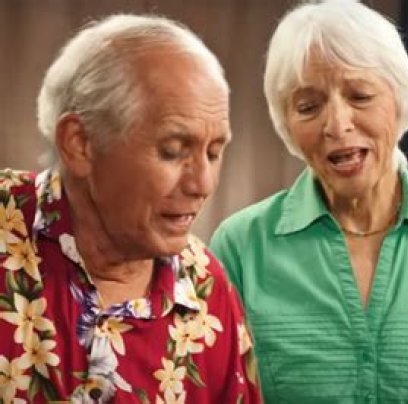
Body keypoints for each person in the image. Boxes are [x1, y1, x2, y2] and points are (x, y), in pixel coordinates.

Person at [208, 0, 408, 401]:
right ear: (286, 123)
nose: (337, 125)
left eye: (360, 96)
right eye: (308, 107)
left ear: (399, 99)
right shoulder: (240, 246)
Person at [0, 14, 261, 403]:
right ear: (79, 144)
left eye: (213, 152)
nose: (203, 184)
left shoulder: (208, 289)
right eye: (173, 151)